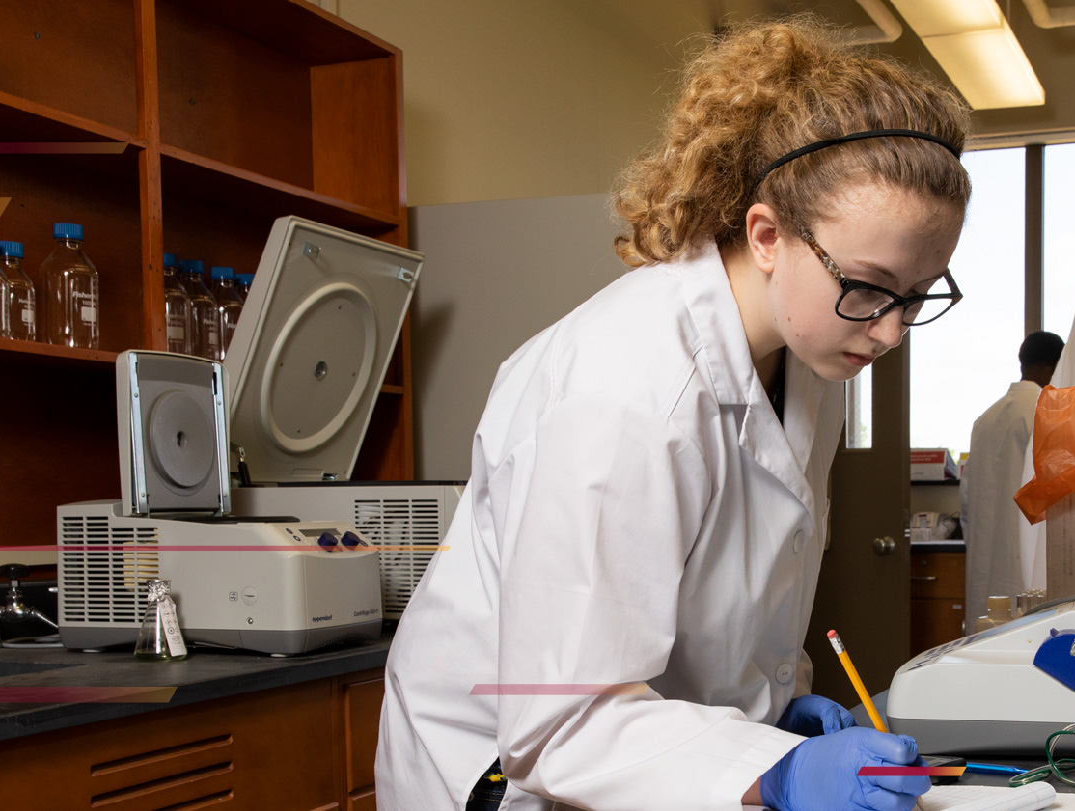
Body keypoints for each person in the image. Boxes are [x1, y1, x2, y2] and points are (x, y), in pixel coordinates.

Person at [376, 19, 971, 811]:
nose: (891, 329)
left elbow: (721, 604)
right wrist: (774, 770)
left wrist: (770, 714)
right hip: (496, 777)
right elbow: (562, 725)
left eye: (918, 295)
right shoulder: (625, 386)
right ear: (766, 235)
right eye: (868, 285)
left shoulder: (810, 358)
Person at [959, 332, 1063, 633]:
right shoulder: (1043, 410)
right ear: (1050, 368)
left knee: (987, 635)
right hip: (1027, 555)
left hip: (986, 557)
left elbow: (966, 499)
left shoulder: (986, 418)